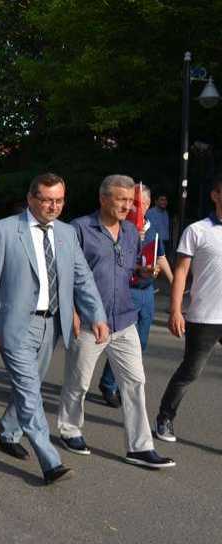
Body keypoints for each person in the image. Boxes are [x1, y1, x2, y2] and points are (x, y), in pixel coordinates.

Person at [0, 173, 109, 485]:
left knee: (31, 385)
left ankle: (9, 433)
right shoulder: (5, 230)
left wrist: (97, 315)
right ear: (31, 198)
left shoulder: (66, 233)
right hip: (15, 324)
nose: (54, 206)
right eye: (47, 199)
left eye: (59, 200)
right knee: (29, 392)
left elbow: (82, 278)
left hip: (52, 325)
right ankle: (50, 461)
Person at [55, 175, 175, 468]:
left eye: (130, 201)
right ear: (103, 198)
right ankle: (69, 429)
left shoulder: (132, 232)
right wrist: (70, 311)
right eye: (121, 199)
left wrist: (144, 273)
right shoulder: (79, 229)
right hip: (87, 321)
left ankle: (139, 447)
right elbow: (64, 273)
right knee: (79, 381)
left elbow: (129, 271)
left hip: (123, 319)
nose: (128, 206)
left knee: (135, 383)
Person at [155, 174, 222, 442]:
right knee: (189, 372)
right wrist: (175, 310)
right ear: (215, 195)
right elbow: (181, 273)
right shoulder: (197, 230)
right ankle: (165, 417)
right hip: (204, 316)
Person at [98, 184, 173, 407]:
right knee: (120, 340)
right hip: (125, 290)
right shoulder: (119, 227)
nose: (140, 208)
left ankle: (120, 383)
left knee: (140, 342)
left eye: (144, 204)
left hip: (146, 291)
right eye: (136, 203)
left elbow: (160, 258)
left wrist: (175, 281)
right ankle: (110, 384)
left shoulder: (153, 230)